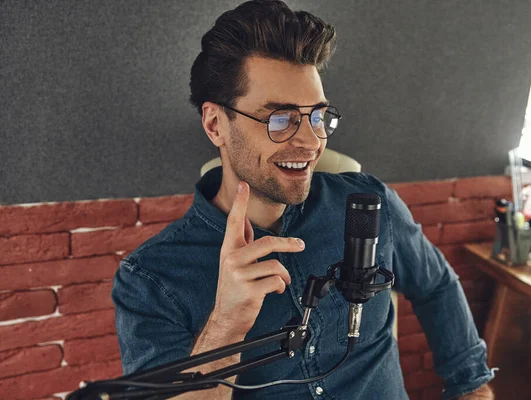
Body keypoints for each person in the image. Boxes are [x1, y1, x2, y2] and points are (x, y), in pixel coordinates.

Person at [112, 1, 495, 399]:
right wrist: (226, 324)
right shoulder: (151, 281)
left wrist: (473, 386)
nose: (311, 141)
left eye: (317, 116)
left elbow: (436, 285)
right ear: (215, 124)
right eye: (280, 118)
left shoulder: (367, 205)